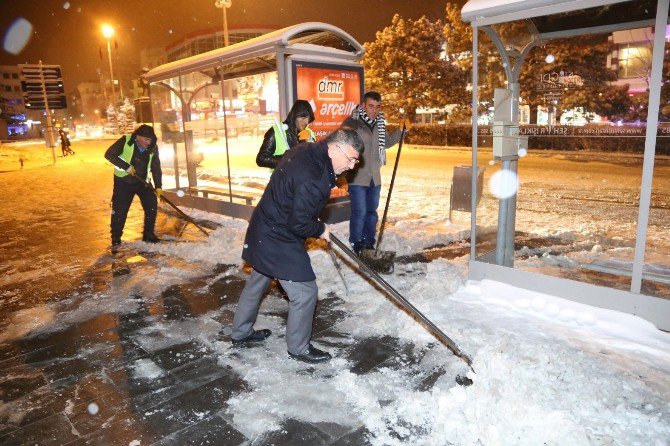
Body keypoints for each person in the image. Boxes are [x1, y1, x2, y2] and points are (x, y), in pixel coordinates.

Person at [231, 126, 364, 363]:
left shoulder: (306, 149)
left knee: (258, 281)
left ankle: (241, 332)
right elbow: (299, 224)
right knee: (304, 292)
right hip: (279, 235)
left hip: (264, 223)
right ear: (335, 149)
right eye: (351, 158)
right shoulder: (314, 178)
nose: (352, 166)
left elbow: (296, 200)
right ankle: (299, 348)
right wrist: (320, 228)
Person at [342, 91, 404, 254]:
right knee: (360, 212)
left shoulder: (380, 123)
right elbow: (341, 145)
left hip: (374, 177)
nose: (374, 111)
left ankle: (369, 242)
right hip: (358, 176)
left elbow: (387, 143)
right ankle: (357, 243)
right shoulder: (352, 122)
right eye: (370, 106)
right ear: (363, 105)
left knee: (371, 213)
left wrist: (401, 130)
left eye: (377, 107)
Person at [104, 124, 163, 248]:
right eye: (146, 140)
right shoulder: (125, 141)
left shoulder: (152, 147)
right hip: (124, 182)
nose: (149, 142)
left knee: (151, 205)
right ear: (138, 137)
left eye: (150, 139)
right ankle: (116, 237)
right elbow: (109, 154)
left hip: (143, 182)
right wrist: (126, 166)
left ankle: (148, 235)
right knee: (120, 210)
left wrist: (158, 186)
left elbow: (156, 167)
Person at [256, 99, 315, 168]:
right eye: (303, 118)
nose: (306, 122)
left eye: (308, 118)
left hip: (303, 177)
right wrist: (285, 159)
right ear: (294, 116)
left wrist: (310, 142)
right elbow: (261, 159)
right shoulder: (276, 131)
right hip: (281, 177)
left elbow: (315, 158)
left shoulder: (309, 132)